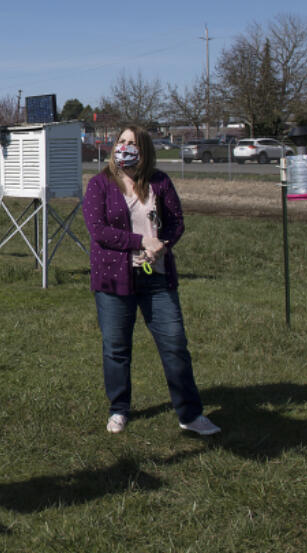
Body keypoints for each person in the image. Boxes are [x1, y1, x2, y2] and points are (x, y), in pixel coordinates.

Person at [82, 126, 220, 436]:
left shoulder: (160, 182)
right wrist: (142, 241)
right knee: (116, 348)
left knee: (175, 345)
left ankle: (190, 413)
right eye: (121, 141)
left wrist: (163, 245)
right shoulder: (99, 185)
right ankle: (119, 409)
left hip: (156, 280)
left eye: (132, 143)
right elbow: (100, 231)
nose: (125, 147)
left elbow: (176, 223)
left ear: (144, 150)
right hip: (114, 281)